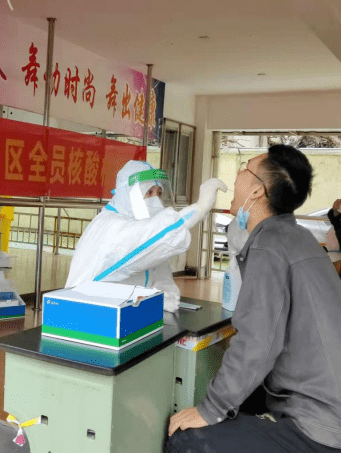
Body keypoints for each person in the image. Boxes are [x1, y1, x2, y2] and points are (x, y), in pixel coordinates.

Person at [166, 145, 341, 453]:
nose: (237, 174)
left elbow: (257, 342)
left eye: (245, 167)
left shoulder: (269, 245)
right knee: (241, 401)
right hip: (327, 404)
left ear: (258, 191)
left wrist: (210, 409)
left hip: (319, 427)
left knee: (185, 437)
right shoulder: (298, 237)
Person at [65, 160, 227, 312]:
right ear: (128, 194)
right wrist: (199, 208)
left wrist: (162, 294)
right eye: (149, 192)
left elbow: (155, 265)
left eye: (159, 193)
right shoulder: (109, 226)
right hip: (84, 314)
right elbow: (152, 237)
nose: (155, 200)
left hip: (123, 313)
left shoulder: (139, 223)